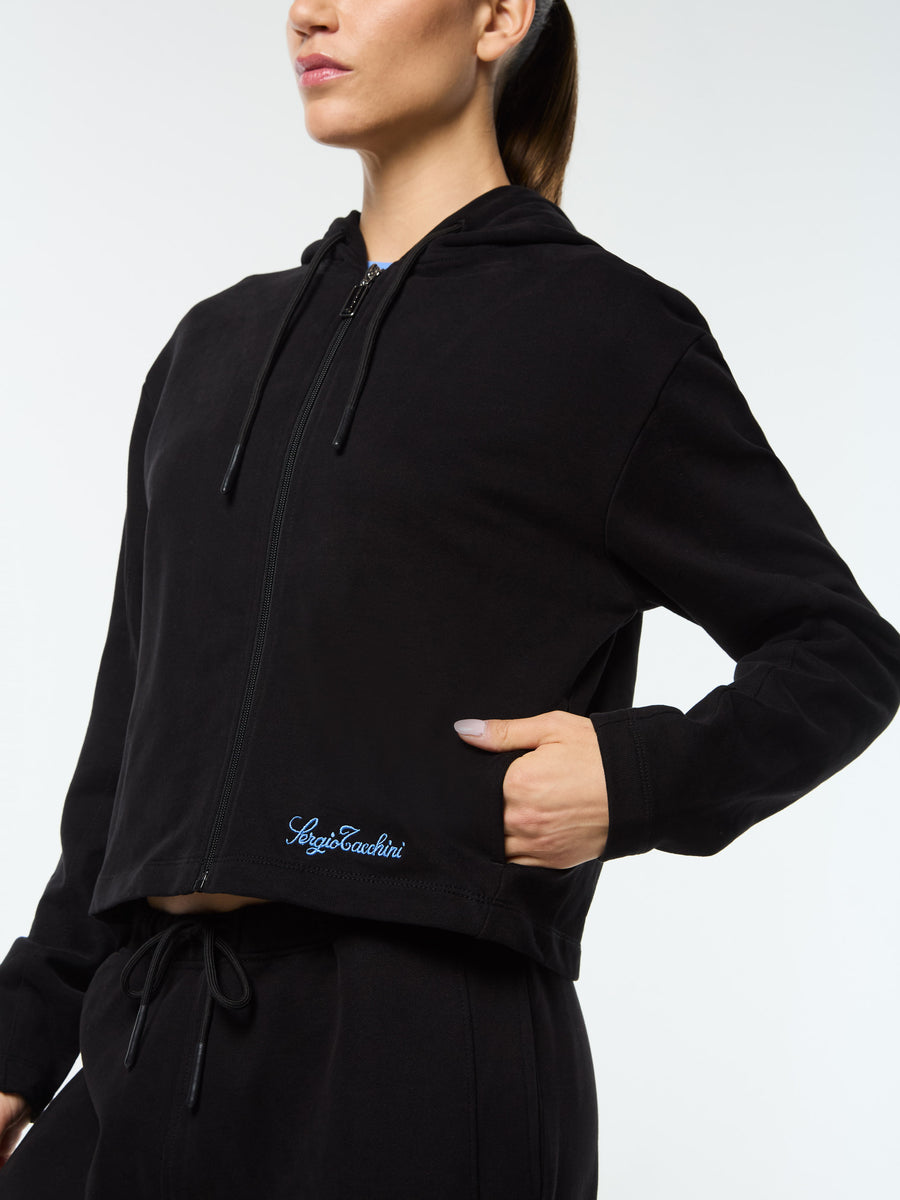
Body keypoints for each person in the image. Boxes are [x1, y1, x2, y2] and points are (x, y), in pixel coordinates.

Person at [1, 1, 899, 1196]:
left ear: (498, 17)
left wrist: (635, 777)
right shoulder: (211, 350)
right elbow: (126, 747)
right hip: (157, 1034)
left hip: (420, 1052)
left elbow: (840, 650)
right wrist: (24, 1035)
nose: (309, 13)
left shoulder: (606, 336)